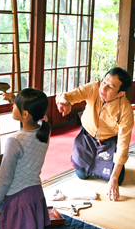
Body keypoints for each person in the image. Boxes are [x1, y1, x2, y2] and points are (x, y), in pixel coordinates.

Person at [56, 67, 134, 201]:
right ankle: (95, 164)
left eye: (110, 87)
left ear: (120, 93)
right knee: (82, 175)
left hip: (108, 142)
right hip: (87, 137)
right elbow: (70, 95)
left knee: (117, 179)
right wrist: (65, 101)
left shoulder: (125, 109)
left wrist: (114, 178)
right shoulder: (94, 88)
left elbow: (123, 144)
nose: (103, 89)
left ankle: (108, 168)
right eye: (104, 82)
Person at [0, 88, 51, 229]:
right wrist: (14, 99)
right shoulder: (45, 130)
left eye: (16, 105)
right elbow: (41, 115)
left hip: (17, 198)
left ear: (25, 114)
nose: (12, 106)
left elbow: (5, 177)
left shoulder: (15, 141)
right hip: (35, 193)